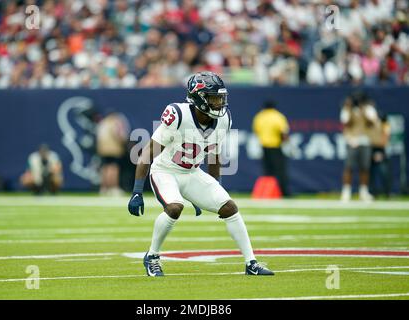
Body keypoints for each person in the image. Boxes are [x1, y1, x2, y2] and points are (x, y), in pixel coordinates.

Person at [128, 71, 274, 277]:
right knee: (175, 207)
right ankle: (152, 256)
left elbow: (214, 157)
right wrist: (137, 191)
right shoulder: (178, 114)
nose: (219, 103)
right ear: (199, 99)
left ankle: (251, 262)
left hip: (192, 172)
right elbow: (147, 153)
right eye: (214, 98)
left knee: (229, 207)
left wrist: (214, 189)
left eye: (221, 98)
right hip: (165, 171)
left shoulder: (224, 120)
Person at [340, 91, 377, 202]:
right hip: (352, 141)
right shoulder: (347, 110)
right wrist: (350, 109)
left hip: (365, 141)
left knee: (364, 168)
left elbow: (372, 123)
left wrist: (364, 111)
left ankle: (363, 192)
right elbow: (345, 123)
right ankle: (346, 192)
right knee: (348, 167)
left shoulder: (369, 109)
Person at [252, 100, 290, 197]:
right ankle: (284, 192)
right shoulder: (278, 116)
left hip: (264, 147)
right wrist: (286, 144)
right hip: (276, 147)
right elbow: (284, 133)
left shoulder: (259, 117)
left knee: (267, 172)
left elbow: (256, 131)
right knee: (280, 171)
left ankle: (267, 193)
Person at [96, 111, 130, 196]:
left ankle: (104, 188)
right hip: (113, 149)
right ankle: (113, 188)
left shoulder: (103, 123)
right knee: (114, 168)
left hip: (103, 149)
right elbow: (119, 135)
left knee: (105, 168)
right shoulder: (115, 122)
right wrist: (125, 143)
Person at [369, 112, 392, 198]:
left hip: (382, 151)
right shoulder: (372, 126)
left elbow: (384, 140)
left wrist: (380, 153)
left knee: (384, 172)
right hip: (373, 150)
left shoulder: (385, 126)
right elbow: (370, 138)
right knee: (372, 173)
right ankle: (373, 192)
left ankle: (387, 192)